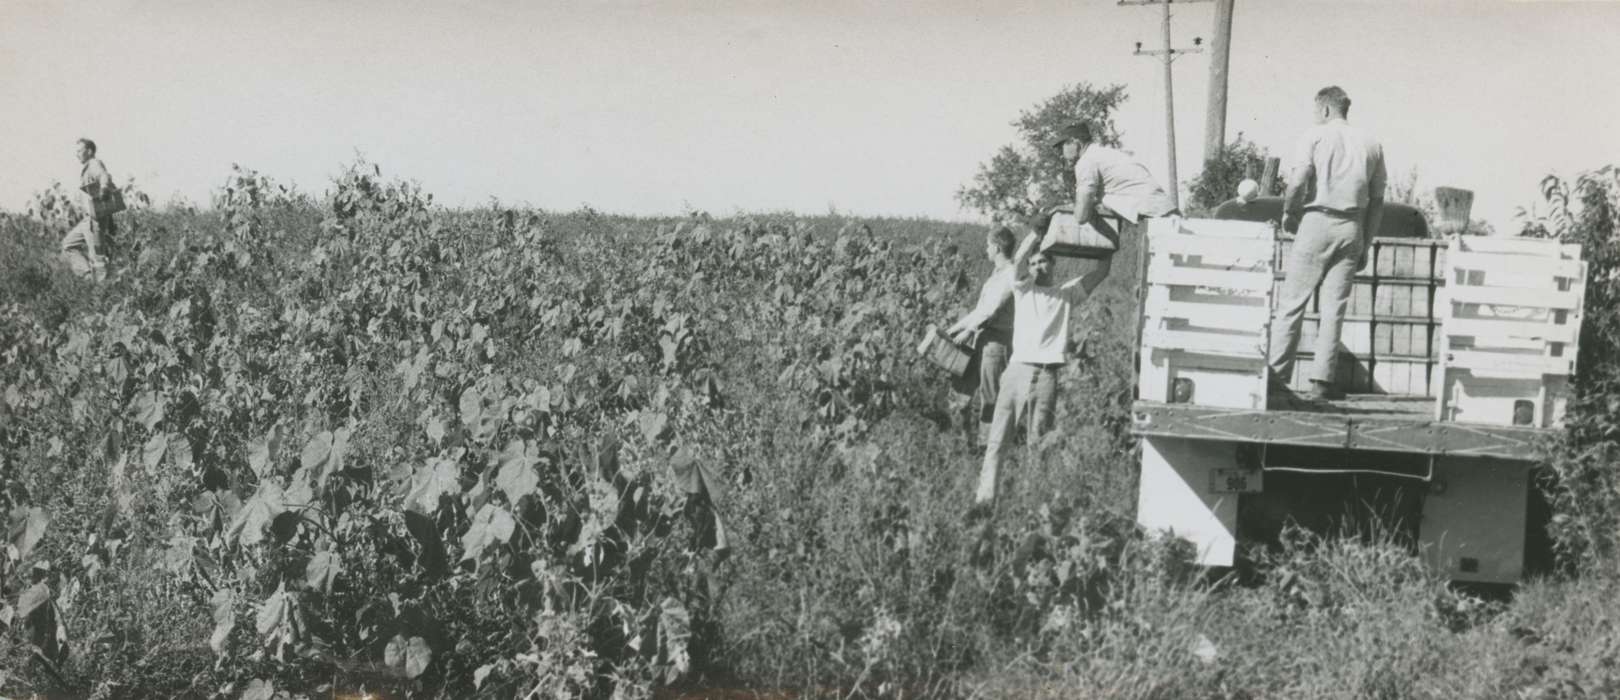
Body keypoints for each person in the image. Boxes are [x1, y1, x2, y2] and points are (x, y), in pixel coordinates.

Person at [973, 230, 1110, 508]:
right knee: (998, 439)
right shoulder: (1023, 289)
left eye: (1043, 262)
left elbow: (1101, 271)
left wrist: (1105, 239)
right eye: (1033, 263)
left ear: (1053, 264)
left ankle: (1030, 505)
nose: (1037, 267)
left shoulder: (1067, 293)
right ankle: (985, 502)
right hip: (1016, 371)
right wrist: (1037, 232)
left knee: (1038, 444)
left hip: (1046, 376)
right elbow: (1017, 259)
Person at [1269, 86, 1387, 402]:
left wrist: (1289, 212)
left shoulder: (1314, 135)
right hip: (1352, 226)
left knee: (1292, 302)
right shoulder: (1372, 143)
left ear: (1323, 109)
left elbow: (1299, 178)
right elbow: (1377, 201)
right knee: (1334, 308)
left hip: (1317, 220)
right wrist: (1366, 242)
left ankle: (1276, 378)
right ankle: (1322, 381)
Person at [1047, 121, 1180, 274]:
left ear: (1075, 142)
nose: (1060, 152)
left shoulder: (1086, 162)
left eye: (1062, 146)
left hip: (1157, 220)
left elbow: (1081, 216)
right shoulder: (1103, 154)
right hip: (1164, 215)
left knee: (1160, 280)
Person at [941, 226, 1018, 446]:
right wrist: (953, 329)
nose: (986, 249)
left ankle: (989, 447)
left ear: (996, 247)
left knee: (990, 396)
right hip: (982, 340)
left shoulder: (1010, 274)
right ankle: (966, 442)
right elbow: (979, 310)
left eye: (987, 245)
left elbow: (991, 310)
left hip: (996, 342)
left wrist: (968, 331)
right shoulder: (997, 275)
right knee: (964, 392)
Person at [62, 138, 119, 278]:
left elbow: (103, 176)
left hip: (95, 220)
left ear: (89, 151)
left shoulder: (94, 164)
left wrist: (104, 188)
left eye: (80, 151)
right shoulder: (87, 167)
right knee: (68, 244)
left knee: (98, 258)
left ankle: (101, 289)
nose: (77, 154)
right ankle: (88, 276)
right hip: (88, 220)